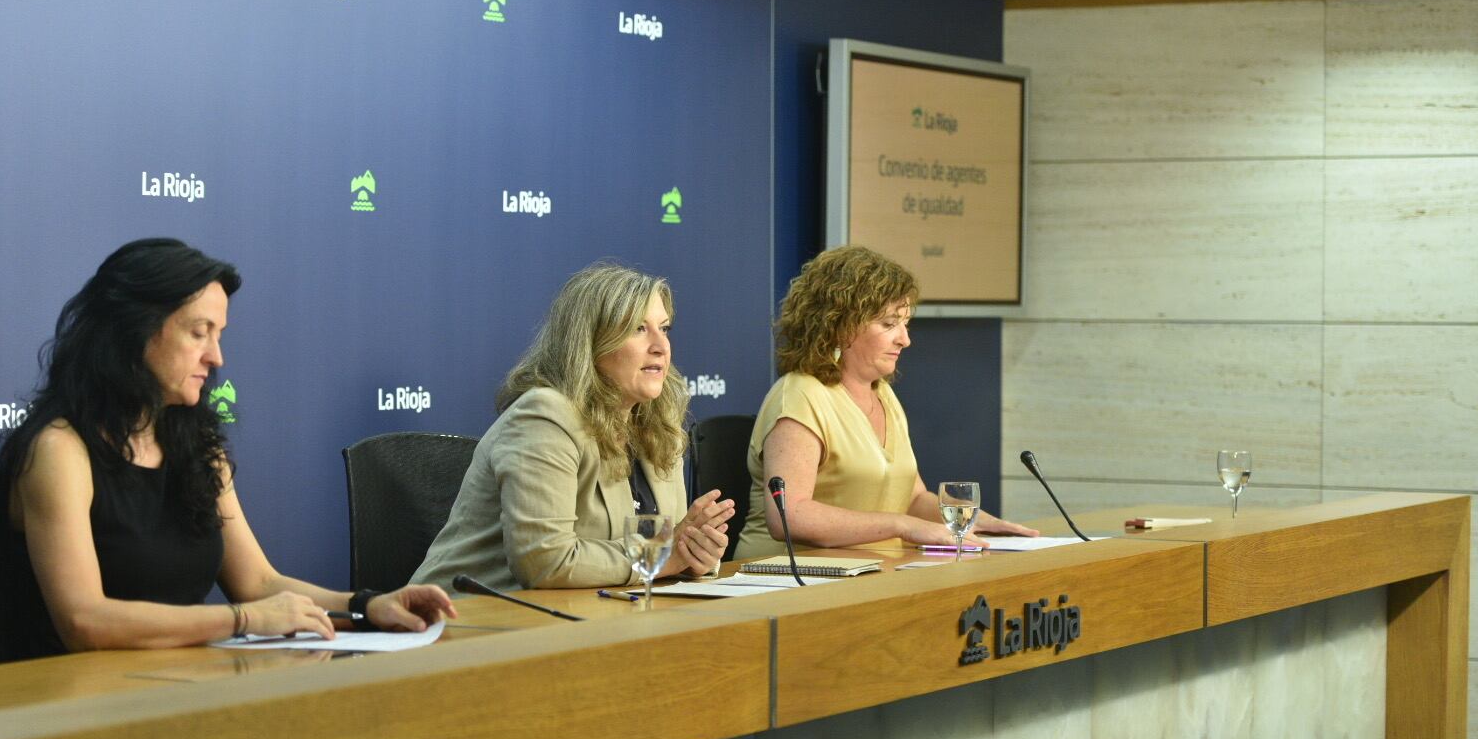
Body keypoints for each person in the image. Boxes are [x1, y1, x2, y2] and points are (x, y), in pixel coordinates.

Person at [0, 238, 456, 658]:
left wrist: (368, 606)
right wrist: (244, 621)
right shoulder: (60, 450)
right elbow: (84, 622)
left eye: (219, 334)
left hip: (168, 686)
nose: (216, 357)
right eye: (199, 332)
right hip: (68, 707)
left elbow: (258, 583)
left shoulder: (195, 444)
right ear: (133, 332)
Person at [412, 262, 732, 592]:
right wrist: (662, 556)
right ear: (591, 342)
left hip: (595, 619)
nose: (661, 346)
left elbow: (670, 550)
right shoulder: (545, 416)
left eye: (664, 328)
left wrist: (695, 552)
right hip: (466, 623)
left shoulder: (657, 425)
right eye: (638, 329)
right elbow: (544, 562)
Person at [732, 245, 1036, 560]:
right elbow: (790, 516)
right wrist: (901, 527)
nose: (905, 339)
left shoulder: (883, 393)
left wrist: (981, 523)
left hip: (874, 572)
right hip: (792, 579)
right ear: (840, 325)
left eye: (904, 323)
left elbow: (913, 498)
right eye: (889, 324)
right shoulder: (799, 396)